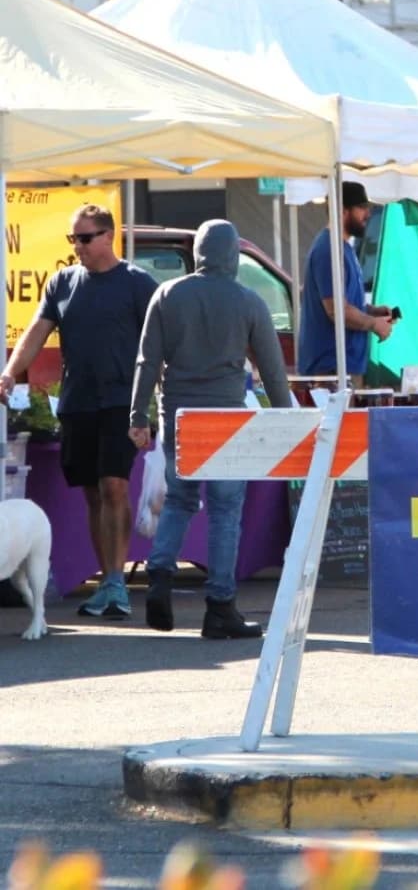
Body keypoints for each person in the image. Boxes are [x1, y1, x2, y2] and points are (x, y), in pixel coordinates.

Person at [128, 220, 291, 639]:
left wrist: (137, 416)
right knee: (224, 511)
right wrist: (288, 417)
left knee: (180, 498)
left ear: (198, 252)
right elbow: (272, 370)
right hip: (226, 419)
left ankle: (160, 572)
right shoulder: (250, 302)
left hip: (179, 413)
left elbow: (147, 360)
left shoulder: (167, 294)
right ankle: (220, 606)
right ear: (233, 254)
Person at [0, 204, 156, 619]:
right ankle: (106, 578)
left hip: (122, 403)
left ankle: (116, 581)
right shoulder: (63, 282)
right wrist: (10, 372)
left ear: (108, 237)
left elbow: (160, 343)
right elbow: (37, 329)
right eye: (73, 239)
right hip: (78, 403)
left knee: (114, 488)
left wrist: (153, 402)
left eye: (84, 238)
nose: (78, 247)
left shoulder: (138, 283)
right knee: (92, 492)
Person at [297, 180, 394, 386]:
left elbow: (344, 302)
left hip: (345, 367)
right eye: (361, 208)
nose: (367, 214)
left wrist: (372, 311)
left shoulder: (343, 248)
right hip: (331, 370)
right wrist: (374, 324)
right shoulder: (328, 250)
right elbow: (336, 310)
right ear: (342, 210)